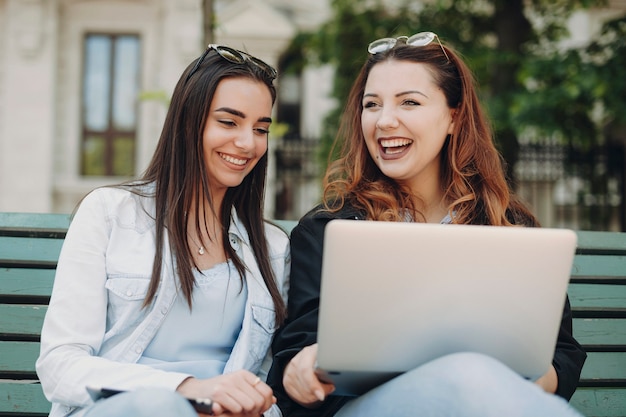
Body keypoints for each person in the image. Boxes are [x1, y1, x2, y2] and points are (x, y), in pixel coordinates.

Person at [267, 32, 587, 417]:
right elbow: (293, 358)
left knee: (470, 375)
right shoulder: (327, 229)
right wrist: (300, 370)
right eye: (372, 105)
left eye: (410, 103)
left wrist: (494, 382)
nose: (385, 121)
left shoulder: (508, 226)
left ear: (454, 117)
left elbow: (561, 354)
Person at [36, 44, 289, 417]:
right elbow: (59, 366)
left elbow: (262, 383)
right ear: (189, 121)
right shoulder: (110, 212)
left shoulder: (271, 248)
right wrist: (185, 390)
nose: (248, 143)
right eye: (228, 122)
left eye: (260, 128)